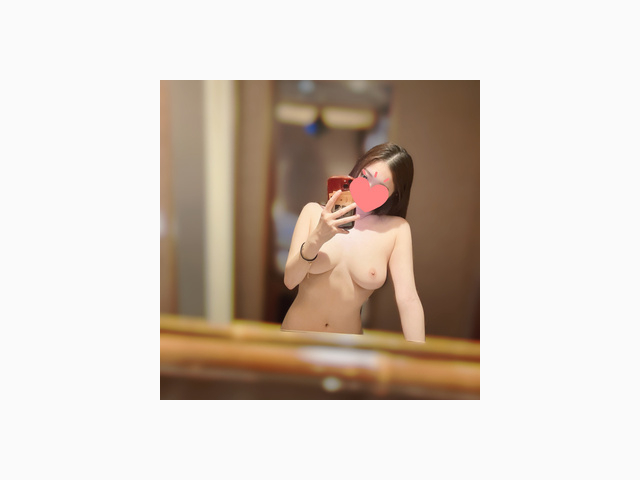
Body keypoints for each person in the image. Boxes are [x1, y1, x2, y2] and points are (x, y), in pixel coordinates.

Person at [281, 143, 425, 342]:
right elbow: (290, 281)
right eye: (365, 177)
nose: (368, 188)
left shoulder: (396, 230)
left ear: (395, 194)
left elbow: (408, 299)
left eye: (381, 186)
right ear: (357, 170)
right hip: (296, 338)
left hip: (348, 345)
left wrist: (418, 353)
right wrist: (318, 237)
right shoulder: (313, 212)